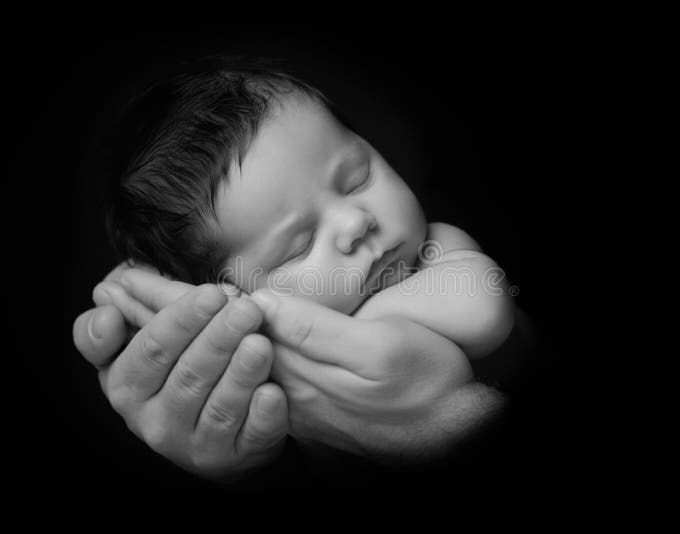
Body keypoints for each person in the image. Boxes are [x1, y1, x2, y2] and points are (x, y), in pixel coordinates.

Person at [73, 55, 515, 482]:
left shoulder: (435, 251)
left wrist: (338, 328)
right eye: (299, 247)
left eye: (357, 178)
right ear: (235, 293)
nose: (356, 222)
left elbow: (484, 315)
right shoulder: (256, 364)